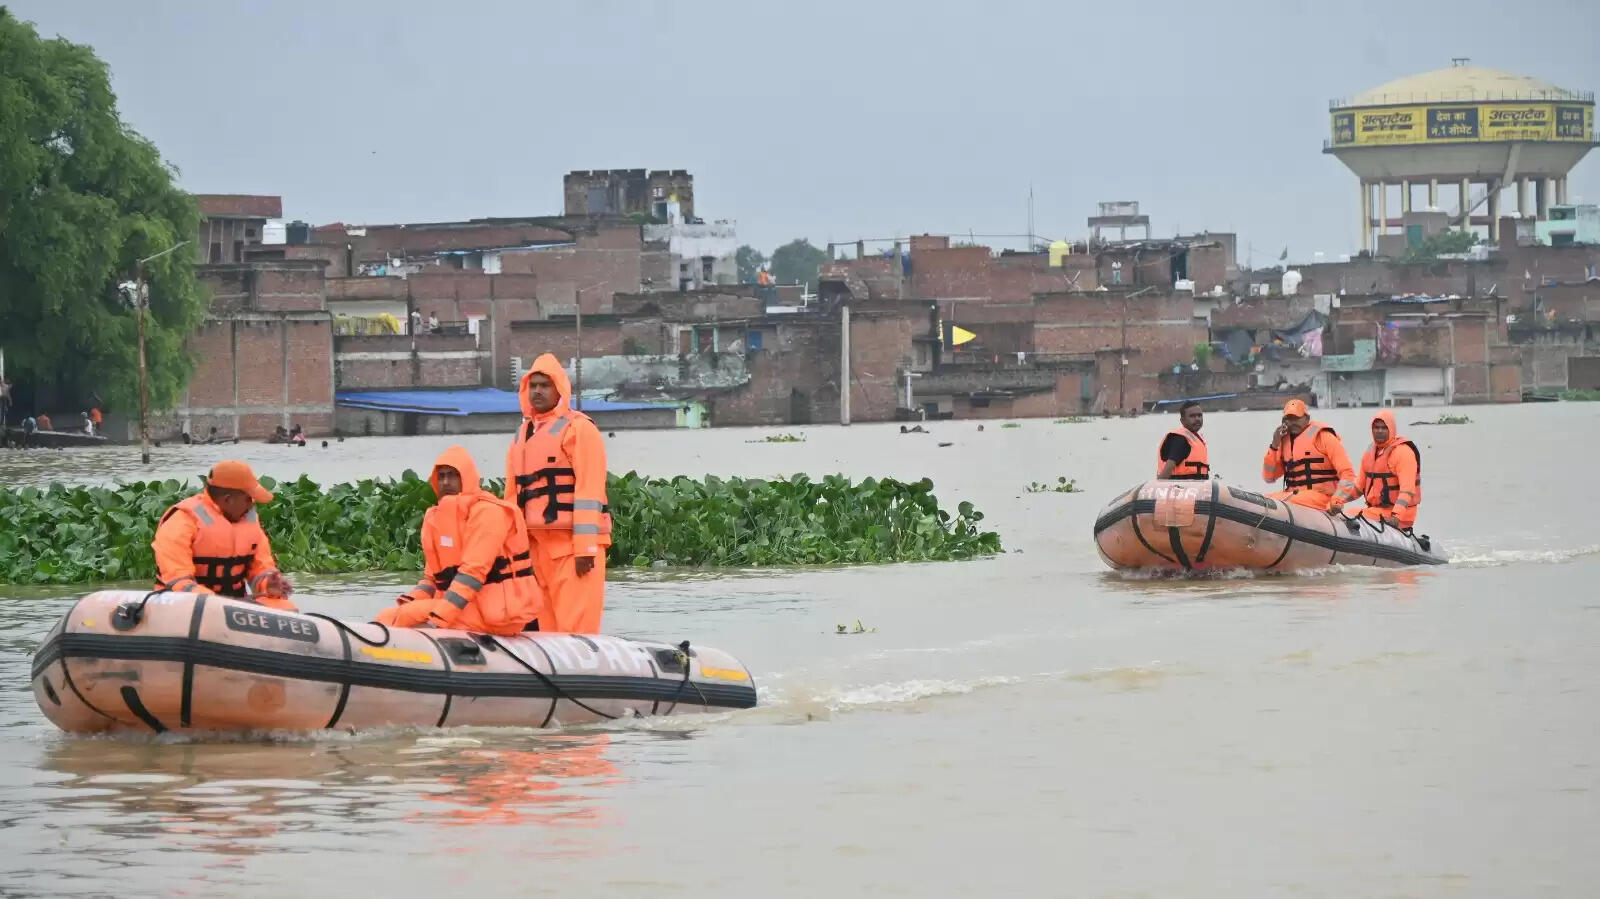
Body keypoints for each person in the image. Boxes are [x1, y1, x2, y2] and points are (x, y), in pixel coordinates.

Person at [376, 446, 544, 634]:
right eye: (441, 477)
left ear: (467, 477)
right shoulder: (435, 518)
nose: (446, 482)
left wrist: (439, 617)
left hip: (498, 615)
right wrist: (411, 602)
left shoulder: (488, 512)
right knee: (392, 615)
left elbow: (474, 571)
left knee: (395, 618)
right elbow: (433, 580)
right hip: (464, 610)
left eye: (453, 475)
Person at [505, 353, 609, 634]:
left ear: (559, 389)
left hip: (571, 549)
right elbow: (511, 498)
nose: (537, 391)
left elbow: (590, 488)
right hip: (536, 549)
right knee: (547, 633)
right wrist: (510, 551)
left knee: (577, 629)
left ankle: (586, 676)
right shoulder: (522, 435)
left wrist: (585, 547)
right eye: (533, 385)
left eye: (545, 385)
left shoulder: (579, 429)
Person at [152, 461, 295, 610]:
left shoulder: (249, 521)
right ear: (228, 499)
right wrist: (218, 604)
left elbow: (261, 567)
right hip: (184, 606)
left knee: (286, 608)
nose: (252, 504)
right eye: (248, 498)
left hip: (232, 605)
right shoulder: (182, 521)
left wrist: (269, 584)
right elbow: (178, 581)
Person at [1261, 398, 1357, 512]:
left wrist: (1337, 500)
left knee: (1284, 501)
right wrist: (1274, 445)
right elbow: (1269, 477)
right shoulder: (1283, 441)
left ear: (1307, 418)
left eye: (1296, 418)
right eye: (1289, 419)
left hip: (1321, 497)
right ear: (1283, 421)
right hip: (1293, 495)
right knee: (1262, 500)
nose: (1292, 423)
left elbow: (1348, 474)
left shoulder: (1323, 436)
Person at [1331, 409, 1421, 529]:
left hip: (1400, 515)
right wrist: (1338, 500)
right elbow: (1358, 489)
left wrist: (1396, 515)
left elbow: (1407, 490)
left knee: (1349, 515)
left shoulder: (1403, 452)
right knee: (1346, 514)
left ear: (1391, 429)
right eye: (1376, 428)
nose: (1379, 431)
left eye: (1384, 428)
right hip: (1377, 512)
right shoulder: (1370, 453)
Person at [1156, 401, 1209, 480]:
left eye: (1199, 415)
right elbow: (1167, 470)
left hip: (1196, 487)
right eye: (1192, 416)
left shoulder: (1196, 438)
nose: (1197, 419)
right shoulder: (1179, 439)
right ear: (1182, 420)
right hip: (1179, 488)